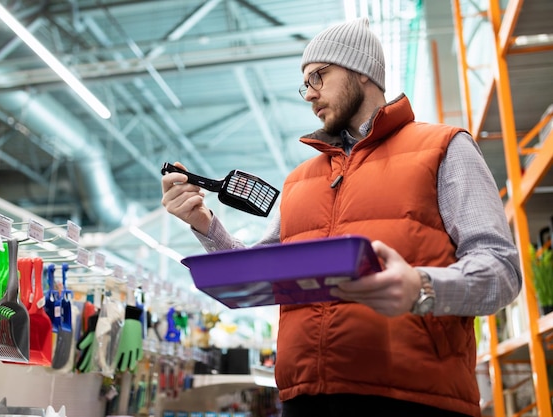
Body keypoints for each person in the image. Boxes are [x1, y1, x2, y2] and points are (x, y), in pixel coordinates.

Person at [161, 17, 521, 417]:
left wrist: (422, 286)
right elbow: (263, 272)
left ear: (362, 71)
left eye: (319, 76)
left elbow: (501, 271)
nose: (309, 94)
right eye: (305, 83)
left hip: (415, 397)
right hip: (305, 400)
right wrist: (204, 224)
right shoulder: (300, 179)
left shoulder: (443, 148)